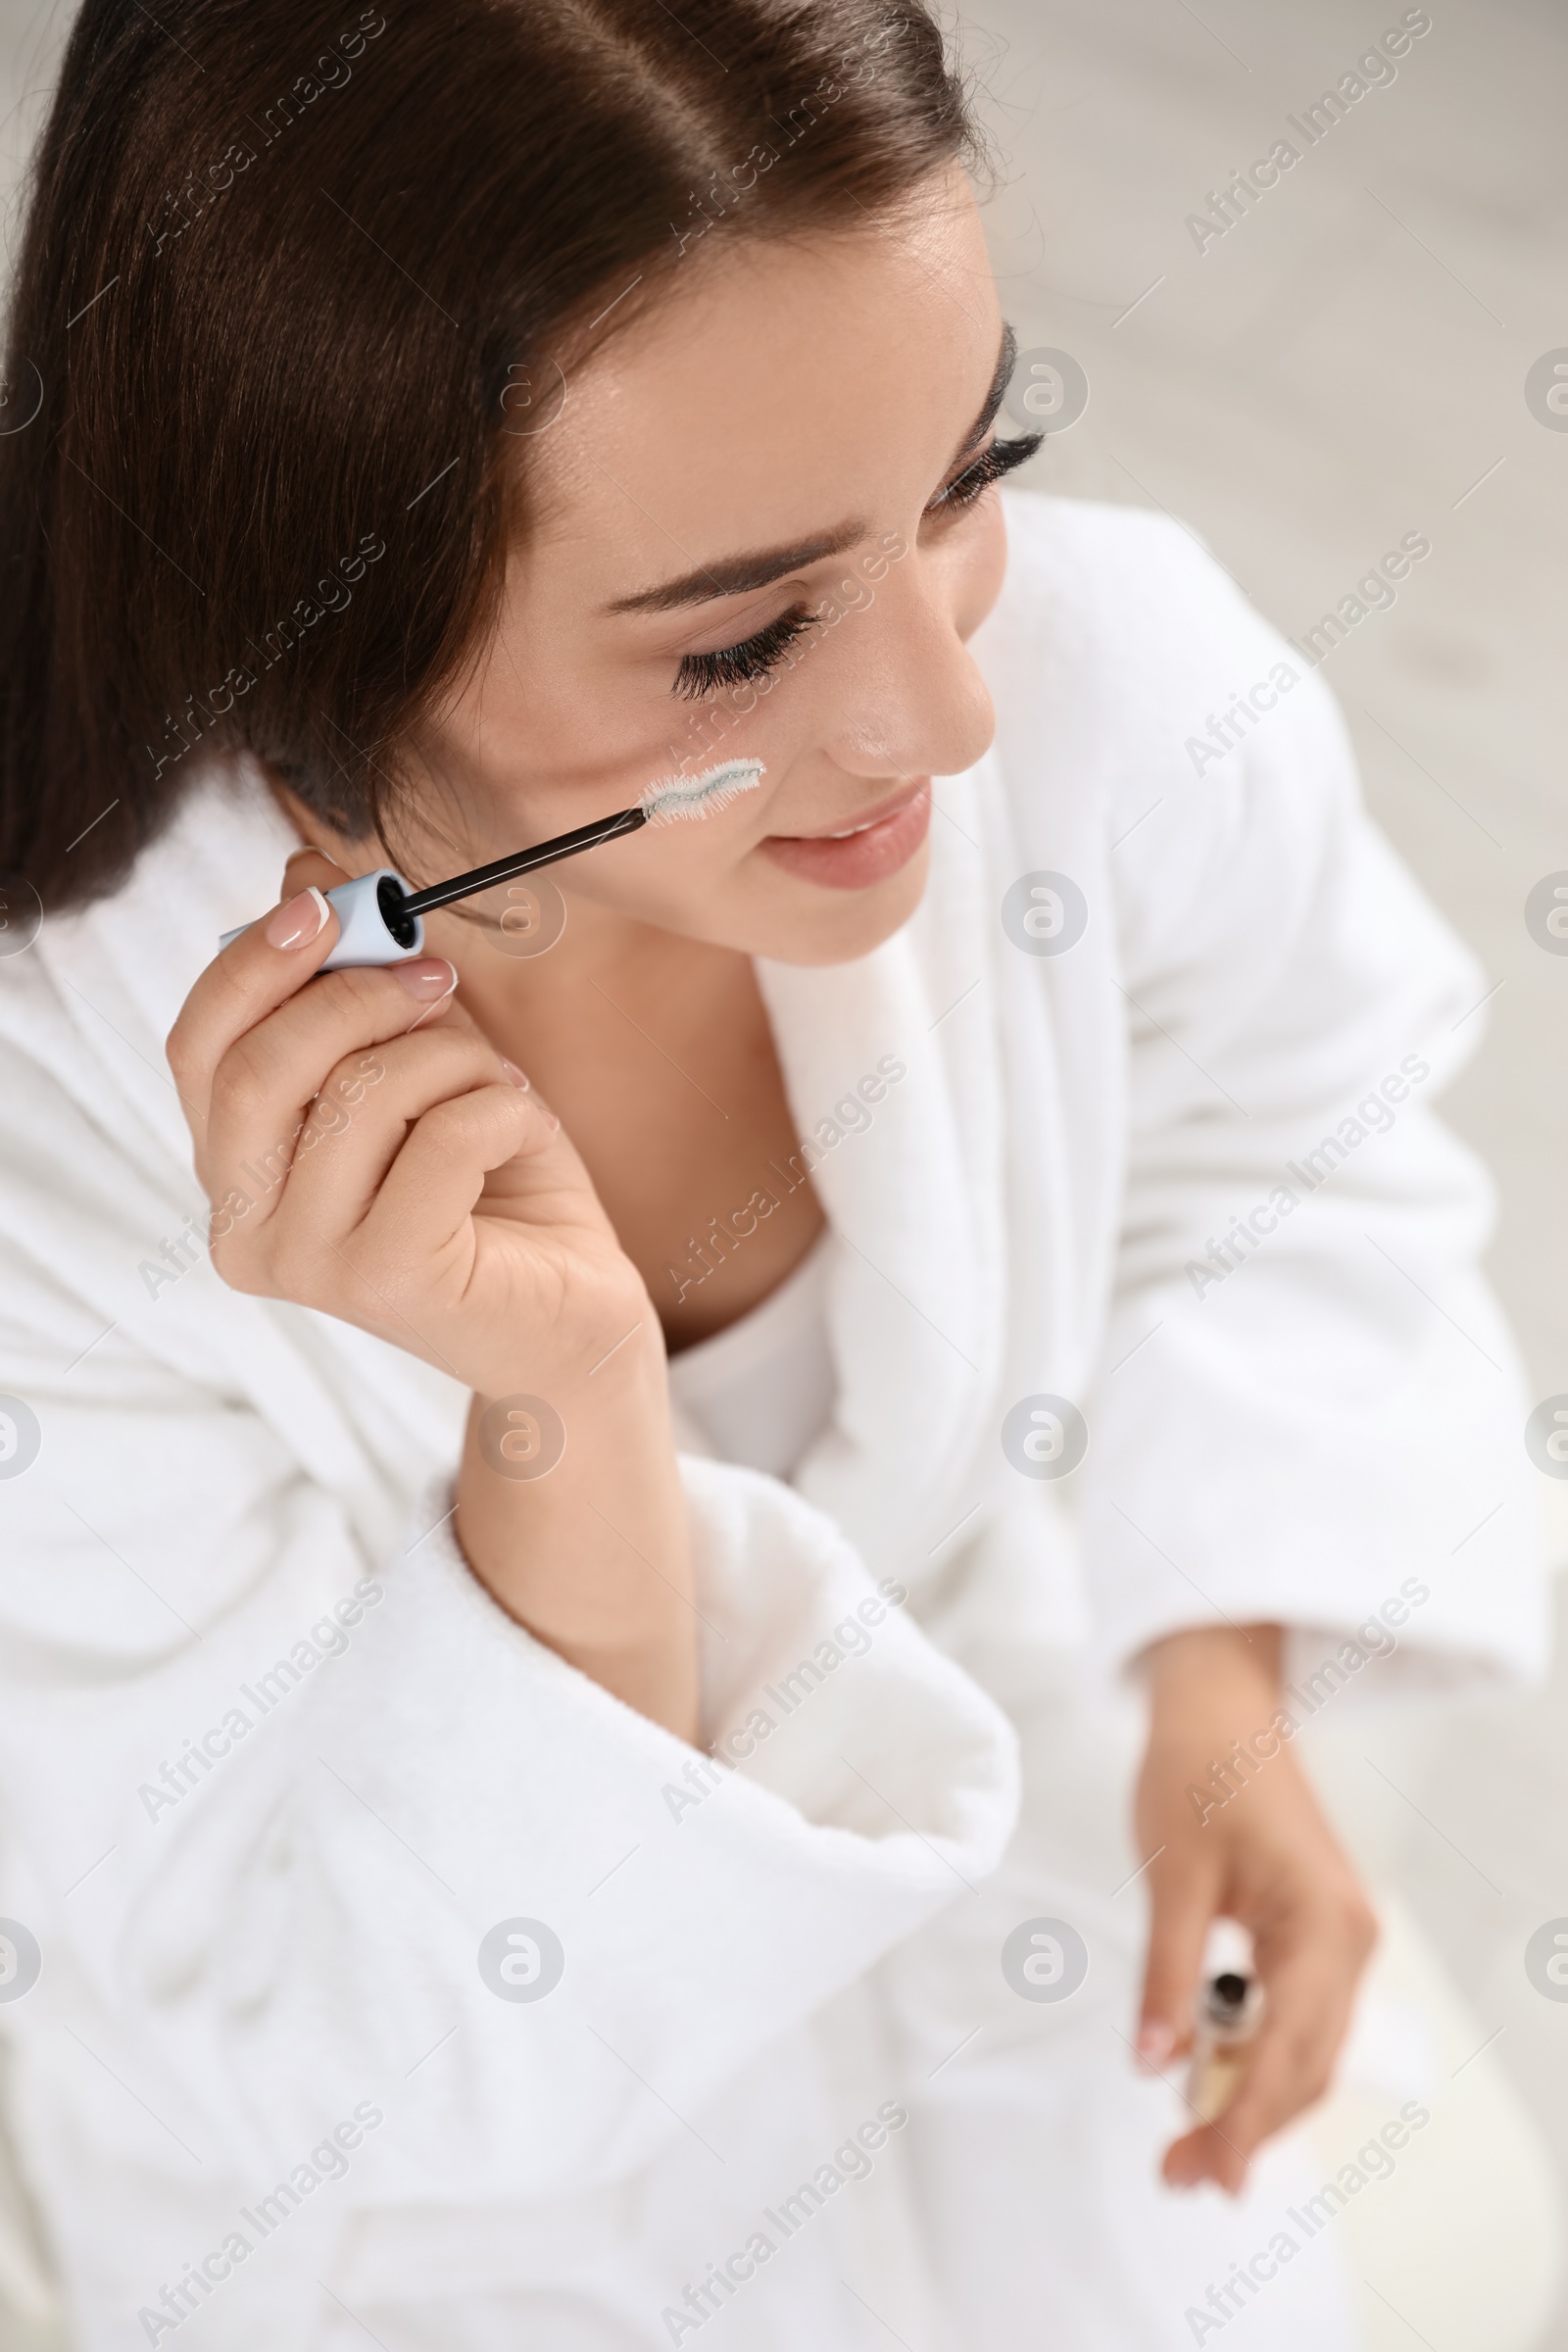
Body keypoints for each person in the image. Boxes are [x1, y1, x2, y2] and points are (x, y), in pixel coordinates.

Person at [0, 2, 1544, 2345]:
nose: (945, 712)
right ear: (312, 635)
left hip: (1024, 1933)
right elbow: (268, 1999)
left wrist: (1216, 1688)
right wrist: (562, 1425)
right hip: (396, 2150)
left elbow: (1281, 1150)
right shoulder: (53, 1128)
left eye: (963, 469)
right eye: (739, 640)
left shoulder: (1130, 695)